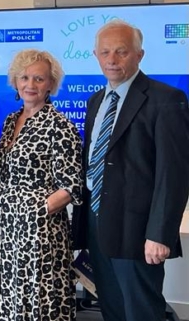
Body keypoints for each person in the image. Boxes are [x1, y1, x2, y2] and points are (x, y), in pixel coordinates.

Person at [72, 19, 189, 321]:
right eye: (105, 52)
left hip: (138, 232)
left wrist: (160, 234)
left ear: (139, 55)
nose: (112, 60)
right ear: (95, 55)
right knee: (112, 310)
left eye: (122, 52)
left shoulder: (166, 100)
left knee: (141, 312)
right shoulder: (95, 101)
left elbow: (173, 175)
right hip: (98, 226)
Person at [0, 49, 82, 321]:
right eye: (24, 77)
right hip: (5, 228)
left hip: (40, 233)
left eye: (39, 79)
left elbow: (72, 185)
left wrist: (35, 214)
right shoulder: (9, 122)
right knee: (7, 295)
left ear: (51, 84)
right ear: (15, 82)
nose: (31, 85)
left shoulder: (60, 126)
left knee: (39, 299)